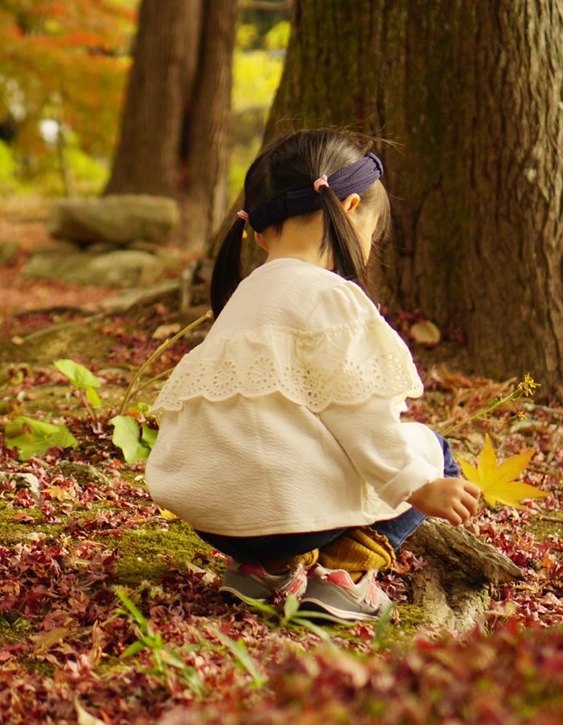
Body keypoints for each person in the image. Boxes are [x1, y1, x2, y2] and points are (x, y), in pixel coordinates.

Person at [146, 129, 481, 623]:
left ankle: (263, 569)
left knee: (283, 436)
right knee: (434, 448)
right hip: (287, 517)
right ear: (349, 209)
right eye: (372, 230)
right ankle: (344, 574)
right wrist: (418, 486)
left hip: (213, 513)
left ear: (259, 233)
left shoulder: (244, 299)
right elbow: (363, 420)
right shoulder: (330, 296)